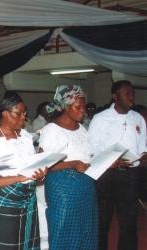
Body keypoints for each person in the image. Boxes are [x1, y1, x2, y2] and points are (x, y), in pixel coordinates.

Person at [0, 90, 47, 250]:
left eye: (25, 112)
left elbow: (31, 170)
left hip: (27, 200)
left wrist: (39, 175)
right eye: (19, 113)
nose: (24, 117)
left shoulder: (25, 137)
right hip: (4, 202)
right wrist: (18, 178)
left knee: (27, 244)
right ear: (5, 113)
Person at [88, 80, 147, 250]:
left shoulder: (137, 118)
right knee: (103, 222)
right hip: (107, 175)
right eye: (127, 93)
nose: (131, 97)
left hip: (130, 175)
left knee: (129, 223)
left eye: (132, 93)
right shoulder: (101, 119)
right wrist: (109, 160)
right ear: (115, 96)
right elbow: (92, 148)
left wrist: (144, 156)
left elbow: (142, 145)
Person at [39, 85, 98, 250]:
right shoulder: (52, 130)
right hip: (63, 190)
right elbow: (43, 162)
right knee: (65, 235)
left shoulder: (82, 130)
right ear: (65, 106)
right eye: (77, 107)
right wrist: (71, 164)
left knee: (87, 233)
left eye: (83, 107)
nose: (82, 111)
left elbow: (87, 156)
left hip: (86, 187)